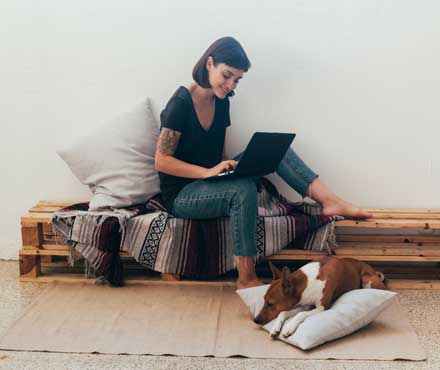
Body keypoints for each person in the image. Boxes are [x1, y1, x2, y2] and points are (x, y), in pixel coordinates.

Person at [155, 36, 372, 289]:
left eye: (237, 79)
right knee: (243, 189)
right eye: (226, 76)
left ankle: (329, 201)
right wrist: (207, 173)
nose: (230, 85)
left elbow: (218, 153)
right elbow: (161, 161)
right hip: (182, 194)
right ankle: (246, 278)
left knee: (277, 150)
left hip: (210, 180)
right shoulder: (180, 103)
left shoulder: (222, 101)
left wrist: (228, 168)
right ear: (209, 63)